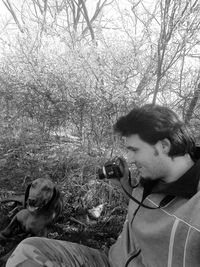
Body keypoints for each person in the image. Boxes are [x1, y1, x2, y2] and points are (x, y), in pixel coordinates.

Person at [6, 104, 200, 267]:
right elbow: (147, 211)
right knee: (28, 250)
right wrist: (124, 183)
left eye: (135, 150)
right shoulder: (153, 175)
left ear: (164, 146)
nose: (130, 158)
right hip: (109, 261)